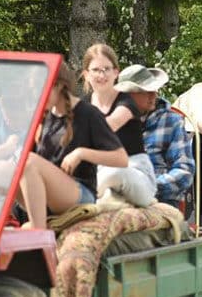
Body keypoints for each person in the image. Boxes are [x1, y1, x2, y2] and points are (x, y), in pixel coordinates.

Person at [12, 61, 128, 229]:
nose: (34, 96)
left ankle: (38, 234)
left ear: (58, 85)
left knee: (28, 162)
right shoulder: (45, 117)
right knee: (1, 168)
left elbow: (121, 159)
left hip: (80, 194)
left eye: (37, 90)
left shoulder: (88, 113)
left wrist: (81, 153)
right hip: (49, 198)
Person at [80, 44, 157, 207]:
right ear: (86, 74)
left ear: (116, 72)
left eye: (107, 69)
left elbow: (105, 129)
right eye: (95, 70)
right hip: (99, 172)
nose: (102, 75)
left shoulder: (126, 102)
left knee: (114, 172)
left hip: (134, 172)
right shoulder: (84, 105)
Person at [120, 68, 194, 207]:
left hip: (161, 201)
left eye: (154, 89)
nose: (154, 94)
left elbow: (185, 170)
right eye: (147, 91)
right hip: (119, 197)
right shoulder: (114, 121)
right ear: (129, 95)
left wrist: (149, 186)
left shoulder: (172, 120)